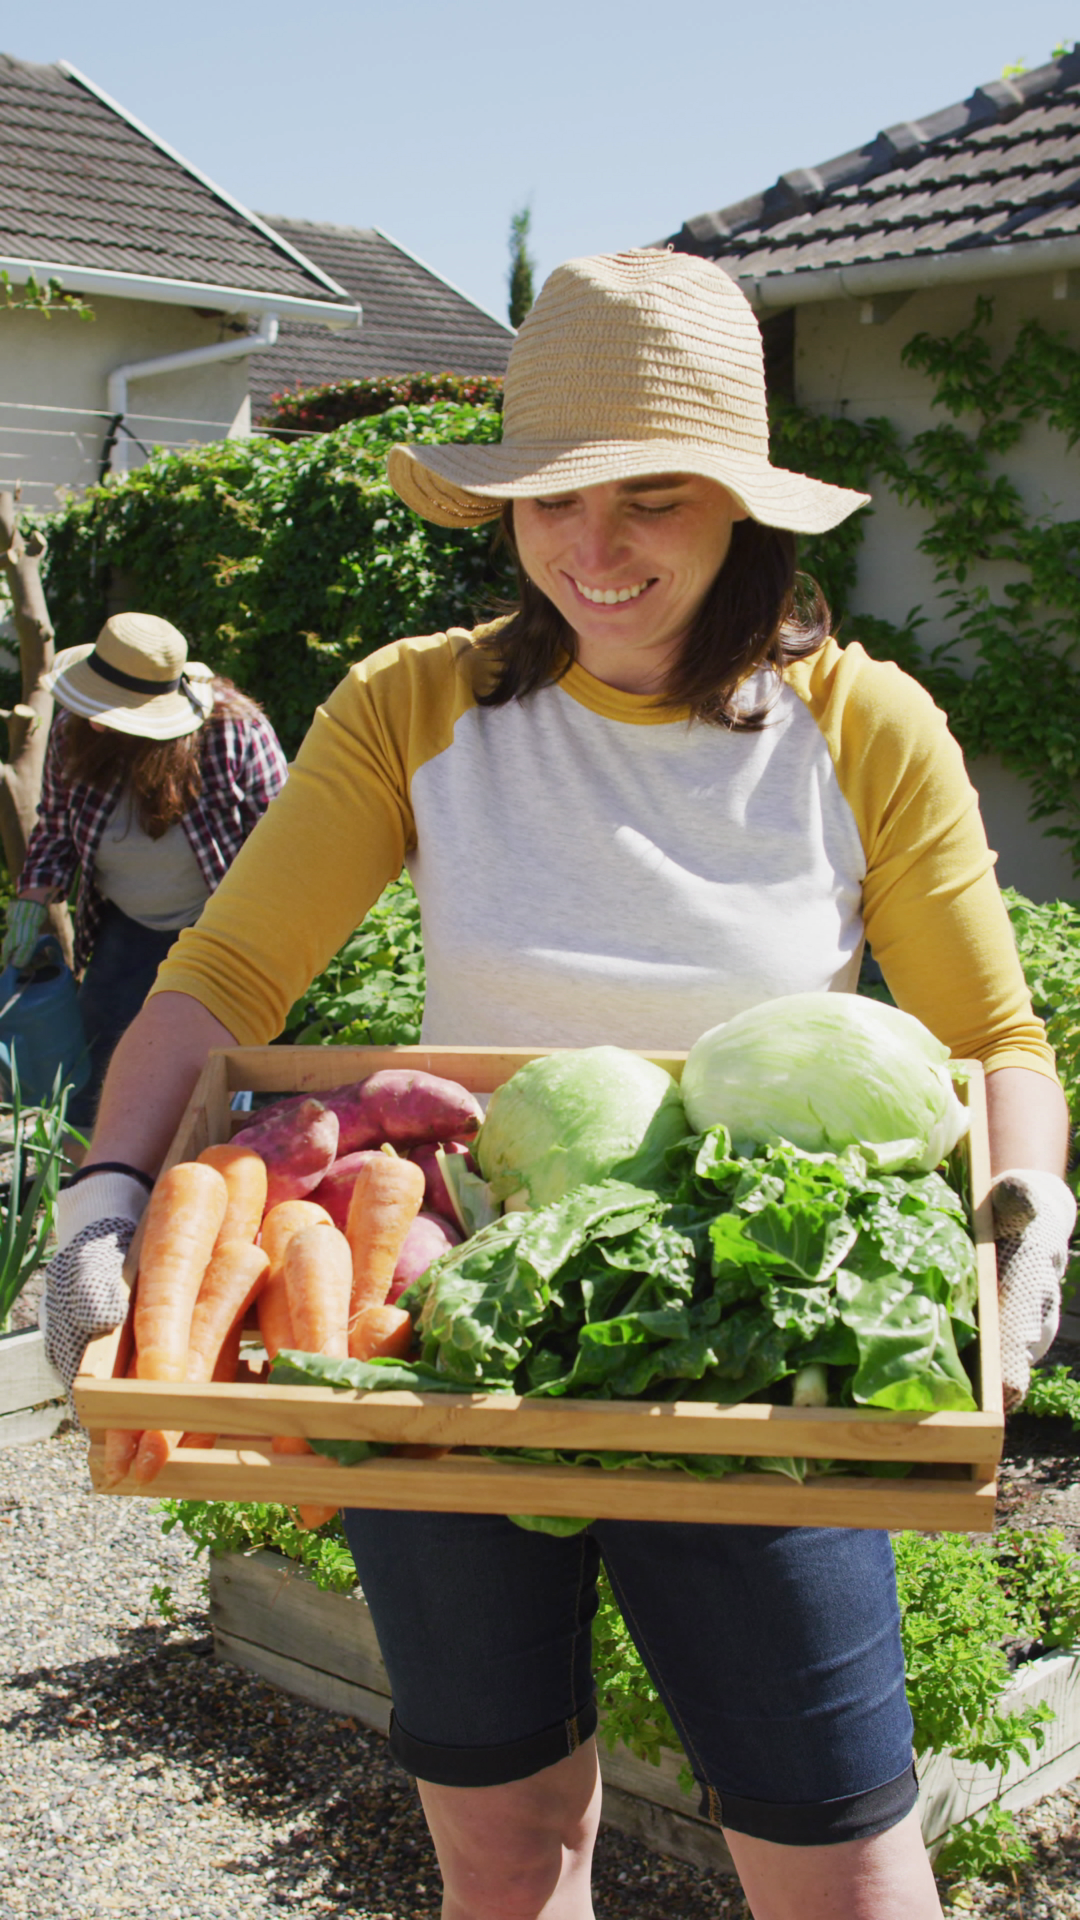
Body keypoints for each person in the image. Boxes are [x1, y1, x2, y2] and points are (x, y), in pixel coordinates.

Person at [43, 251, 1074, 1920]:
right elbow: (224, 980)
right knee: (510, 1856)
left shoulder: (860, 726)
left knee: (849, 1881)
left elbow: (998, 1044)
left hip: (752, 1359)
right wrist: (105, 1192)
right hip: (463, 1336)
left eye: (650, 499)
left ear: (741, 509)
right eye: (551, 501)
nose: (594, 550)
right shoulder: (417, 704)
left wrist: (1024, 1213)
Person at [1, 611, 288, 1135]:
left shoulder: (234, 733)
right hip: (126, 925)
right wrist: (31, 899)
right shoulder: (74, 731)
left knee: (207, 1078)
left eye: (110, 710)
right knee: (100, 1074)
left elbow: (282, 844)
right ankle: (99, 1170)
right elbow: (57, 824)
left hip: (219, 931)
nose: (94, 721)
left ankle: (201, 1166)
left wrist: (268, 943)